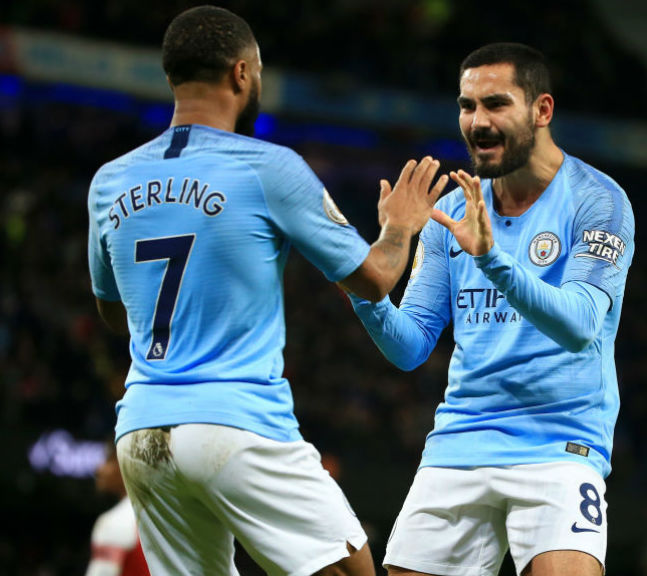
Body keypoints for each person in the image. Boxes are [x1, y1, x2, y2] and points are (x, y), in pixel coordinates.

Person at [86, 6, 448, 575]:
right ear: (241, 75)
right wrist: (400, 225)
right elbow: (376, 277)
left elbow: (114, 313)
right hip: (236, 421)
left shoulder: (109, 181)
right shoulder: (269, 167)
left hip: (141, 433)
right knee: (353, 570)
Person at [348, 43, 635, 576]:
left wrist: (492, 259)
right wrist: (360, 283)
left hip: (560, 444)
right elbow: (411, 346)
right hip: (459, 440)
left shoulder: (598, 201)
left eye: (496, 104)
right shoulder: (451, 211)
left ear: (541, 110)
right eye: (467, 105)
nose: (477, 122)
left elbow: (579, 326)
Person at [86, 445, 150, 576]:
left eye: (108, 460)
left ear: (127, 466)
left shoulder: (115, 521)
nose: (99, 469)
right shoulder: (168, 515)